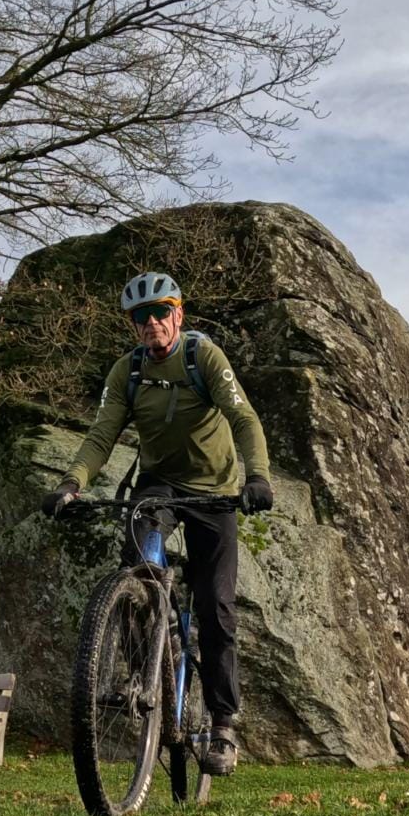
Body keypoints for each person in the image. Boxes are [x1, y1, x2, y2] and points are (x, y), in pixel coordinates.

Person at [41, 271, 273, 776]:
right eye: (140, 317)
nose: (152, 323)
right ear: (133, 326)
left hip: (215, 491)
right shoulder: (126, 372)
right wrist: (71, 483)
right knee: (136, 565)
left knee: (216, 607)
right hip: (160, 486)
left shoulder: (203, 357)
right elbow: (102, 435)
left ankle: (223, 725)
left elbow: (244, 418)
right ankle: (142, 661)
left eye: (160, 312)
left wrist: (256, 476)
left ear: (178, 314)